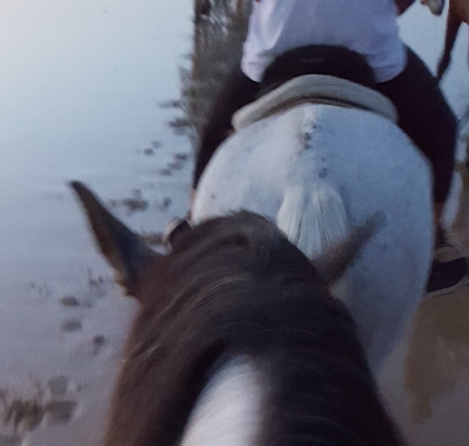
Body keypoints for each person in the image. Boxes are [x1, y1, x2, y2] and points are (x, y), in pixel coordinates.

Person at [192, 0, 466, 294]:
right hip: (372, 57)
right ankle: (428, 257)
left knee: (211, 144)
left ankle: (189, 243)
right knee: (442, 133)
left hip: (274, 55)